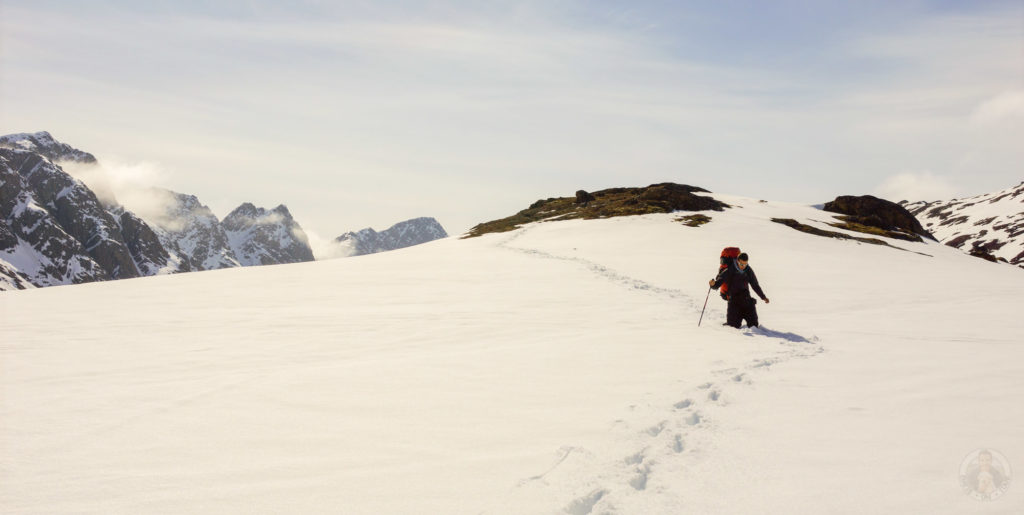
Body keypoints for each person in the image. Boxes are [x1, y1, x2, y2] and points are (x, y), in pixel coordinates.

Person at [709, 252, 769, 328]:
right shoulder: (729, 270)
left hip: (747, 301)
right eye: (741, 264)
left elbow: (755, 285)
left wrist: (763, 297)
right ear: (737, 261)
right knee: (733, 327)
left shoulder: (748, 270)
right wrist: (712, 284)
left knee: (754, 326)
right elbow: (718, 284)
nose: (743, 266)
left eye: (745, 264)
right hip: (734, 303)